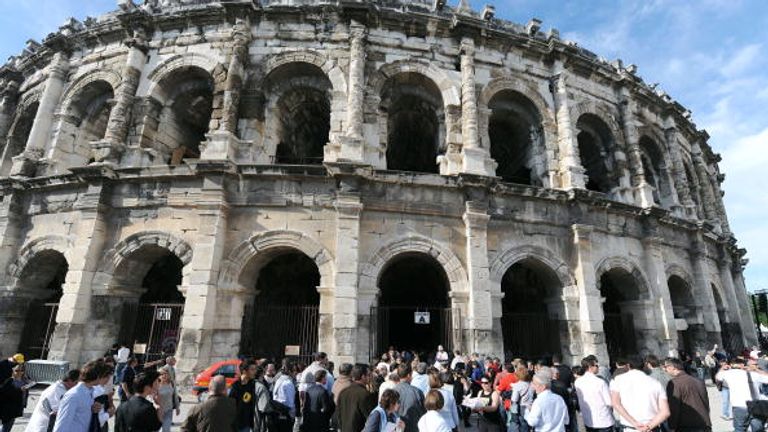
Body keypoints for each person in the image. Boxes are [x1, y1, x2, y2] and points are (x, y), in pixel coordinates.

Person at [610, 356, 669, 432]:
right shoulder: (655, 383)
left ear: (628, 366)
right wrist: (648, 426)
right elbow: (665, 412)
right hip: (652, 428)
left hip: (629, 428)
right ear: (644, 365)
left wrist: (634, 423)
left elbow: (615, 403)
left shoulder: (618, 380)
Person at [54, 360, 114, 432]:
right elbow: (61, 426)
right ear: (98, 376)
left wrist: (93, 411)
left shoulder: (90, 392)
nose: (107, 379)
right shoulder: (74, 396)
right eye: (104, 376)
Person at [715, 357, 768, 432]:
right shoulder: (754, 374)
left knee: (739, 429)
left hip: (739, 407)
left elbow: (718, 377)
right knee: (758, 429)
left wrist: (722, 368)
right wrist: (756, 369)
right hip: (756, 405)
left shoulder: (728, 374)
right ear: (743, 365)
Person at [663, 357, 711, 432]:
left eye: (665, 367)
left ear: (672, 367)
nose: (665, 370)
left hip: (687, 426)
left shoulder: (674, 383)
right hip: (704, 424)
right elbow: (706, 403)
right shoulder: (698, 381)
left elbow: (674, 407)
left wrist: (672, 426)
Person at [574, 357, 613, 432]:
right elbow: (609, 402)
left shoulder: (578, 382)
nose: (598, 367)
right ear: (590, 367)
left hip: (589, 420)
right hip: (603, 420)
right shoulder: (600, 382)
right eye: (596, 365)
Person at [337, 364, 377, 432]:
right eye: (369, 375)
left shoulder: (343, 392)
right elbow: (371, 418)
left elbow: (339, 415)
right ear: (363, 376)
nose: (370, 377)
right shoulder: (365, 394)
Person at [394, 363, 426, 432]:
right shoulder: (417, 392)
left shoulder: (392, 391)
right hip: (414, 428)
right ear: (409, 375)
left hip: (398, 429)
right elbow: (424, 412)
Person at [230, 361, 258, 432]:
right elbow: (230, 405)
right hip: (237, 424)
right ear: (244, 371)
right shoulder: (235, 386)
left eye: (255, 369)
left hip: (248, 424)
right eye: (252, 369)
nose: (255, 372)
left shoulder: (253, 385)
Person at [0, 353, 25, 432]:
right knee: (6, 425)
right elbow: (6, 391)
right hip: (6, 405)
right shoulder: (3, 366)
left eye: (21, 371)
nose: (20, 372)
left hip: (11, 406)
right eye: (17, 371)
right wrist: (19, 390)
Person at [271, 363, 297, 432]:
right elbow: (291, 403)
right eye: (294, 371)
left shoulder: (279, 380)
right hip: (285, 413)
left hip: (276, 412)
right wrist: (292, 416)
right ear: (289, 372)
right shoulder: (288, 383)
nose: (296, 373)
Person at [157, 366, 180, 432]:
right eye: (161, 374)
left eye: (165, 373)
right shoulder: (156, 384)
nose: (163, 375)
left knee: (166, 429)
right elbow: (151, 398)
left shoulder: (172, 383)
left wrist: (177, 407)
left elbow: (175, 395)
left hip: (169, 409)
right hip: (157, 411)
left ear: (168, 375)